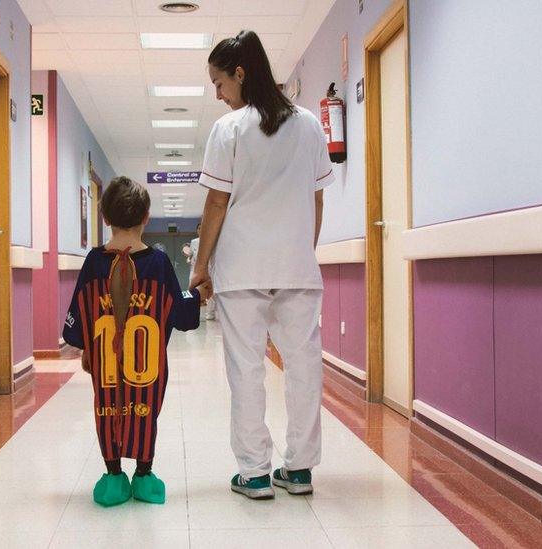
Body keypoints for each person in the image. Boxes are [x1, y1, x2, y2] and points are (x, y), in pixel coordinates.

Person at [190, 30, 334, 500]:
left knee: (246, 369)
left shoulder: (229, 130)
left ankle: (254, 472)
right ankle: (300, 469)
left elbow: (216, 203)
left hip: (242, 270)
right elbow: (316, 200)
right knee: (303, 367)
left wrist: (201, 265)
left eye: (219, 82)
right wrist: (300, 249)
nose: (217, 93)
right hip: (296, 268)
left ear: (240, 72)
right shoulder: (310, 124)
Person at [63, 176, 213, 507]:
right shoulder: (158, 263)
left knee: (106, 409)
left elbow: (79, 316)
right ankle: (144, 476)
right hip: (148, 367)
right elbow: (179, 309)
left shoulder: (93, 262)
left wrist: (87, 347)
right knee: (145, 412)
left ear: (104, 218)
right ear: (146, 217)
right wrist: (199, 295)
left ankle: (113, 476)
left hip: (105, 365)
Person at [187, 223, 217, 320]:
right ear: (197, 230)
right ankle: (191, 310)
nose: (201, 229)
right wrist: (188, 259)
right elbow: (190, 255)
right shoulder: (194, 242)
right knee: (192, 290)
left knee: (209, 291)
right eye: (199, 228)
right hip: (194, 269)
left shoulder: (211, 239)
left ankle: (210, 313)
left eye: (202, 227)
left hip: (208, 268)